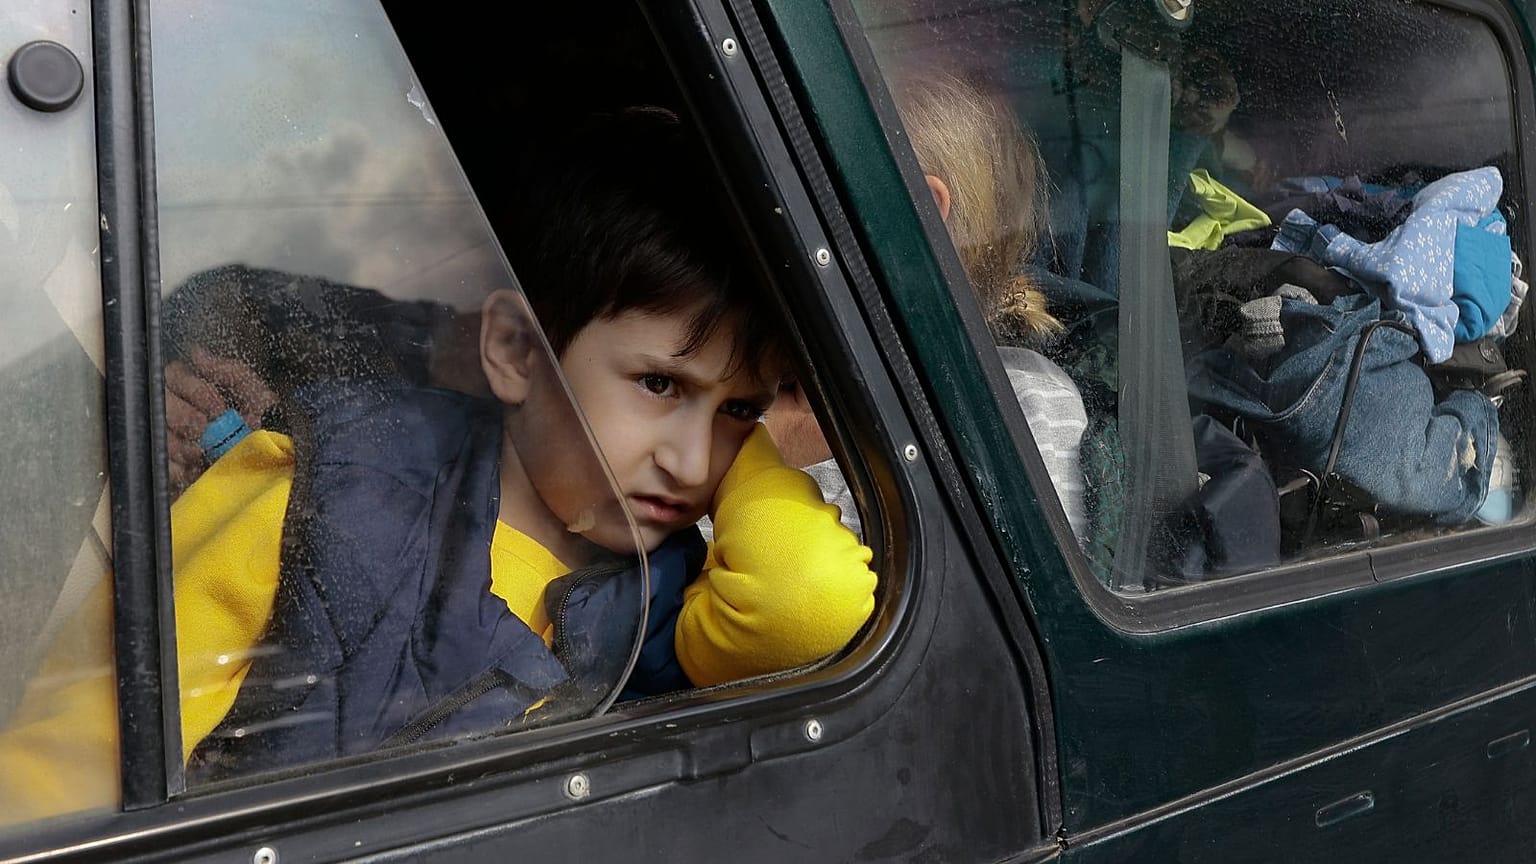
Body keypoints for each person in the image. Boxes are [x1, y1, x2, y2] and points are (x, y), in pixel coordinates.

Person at [0, 107, 877, 820]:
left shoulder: (673, 593)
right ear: (516, 351)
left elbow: (811, 602)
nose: (693, 465)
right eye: (657, 383)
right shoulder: (315, 489)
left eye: (737, 409)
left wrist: (745, 451)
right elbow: (81, 765)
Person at [768, 71, 1089, 539]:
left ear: (915, 207)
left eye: (808, 176)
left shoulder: (1017, 413)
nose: (776, 204)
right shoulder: (732, 369)